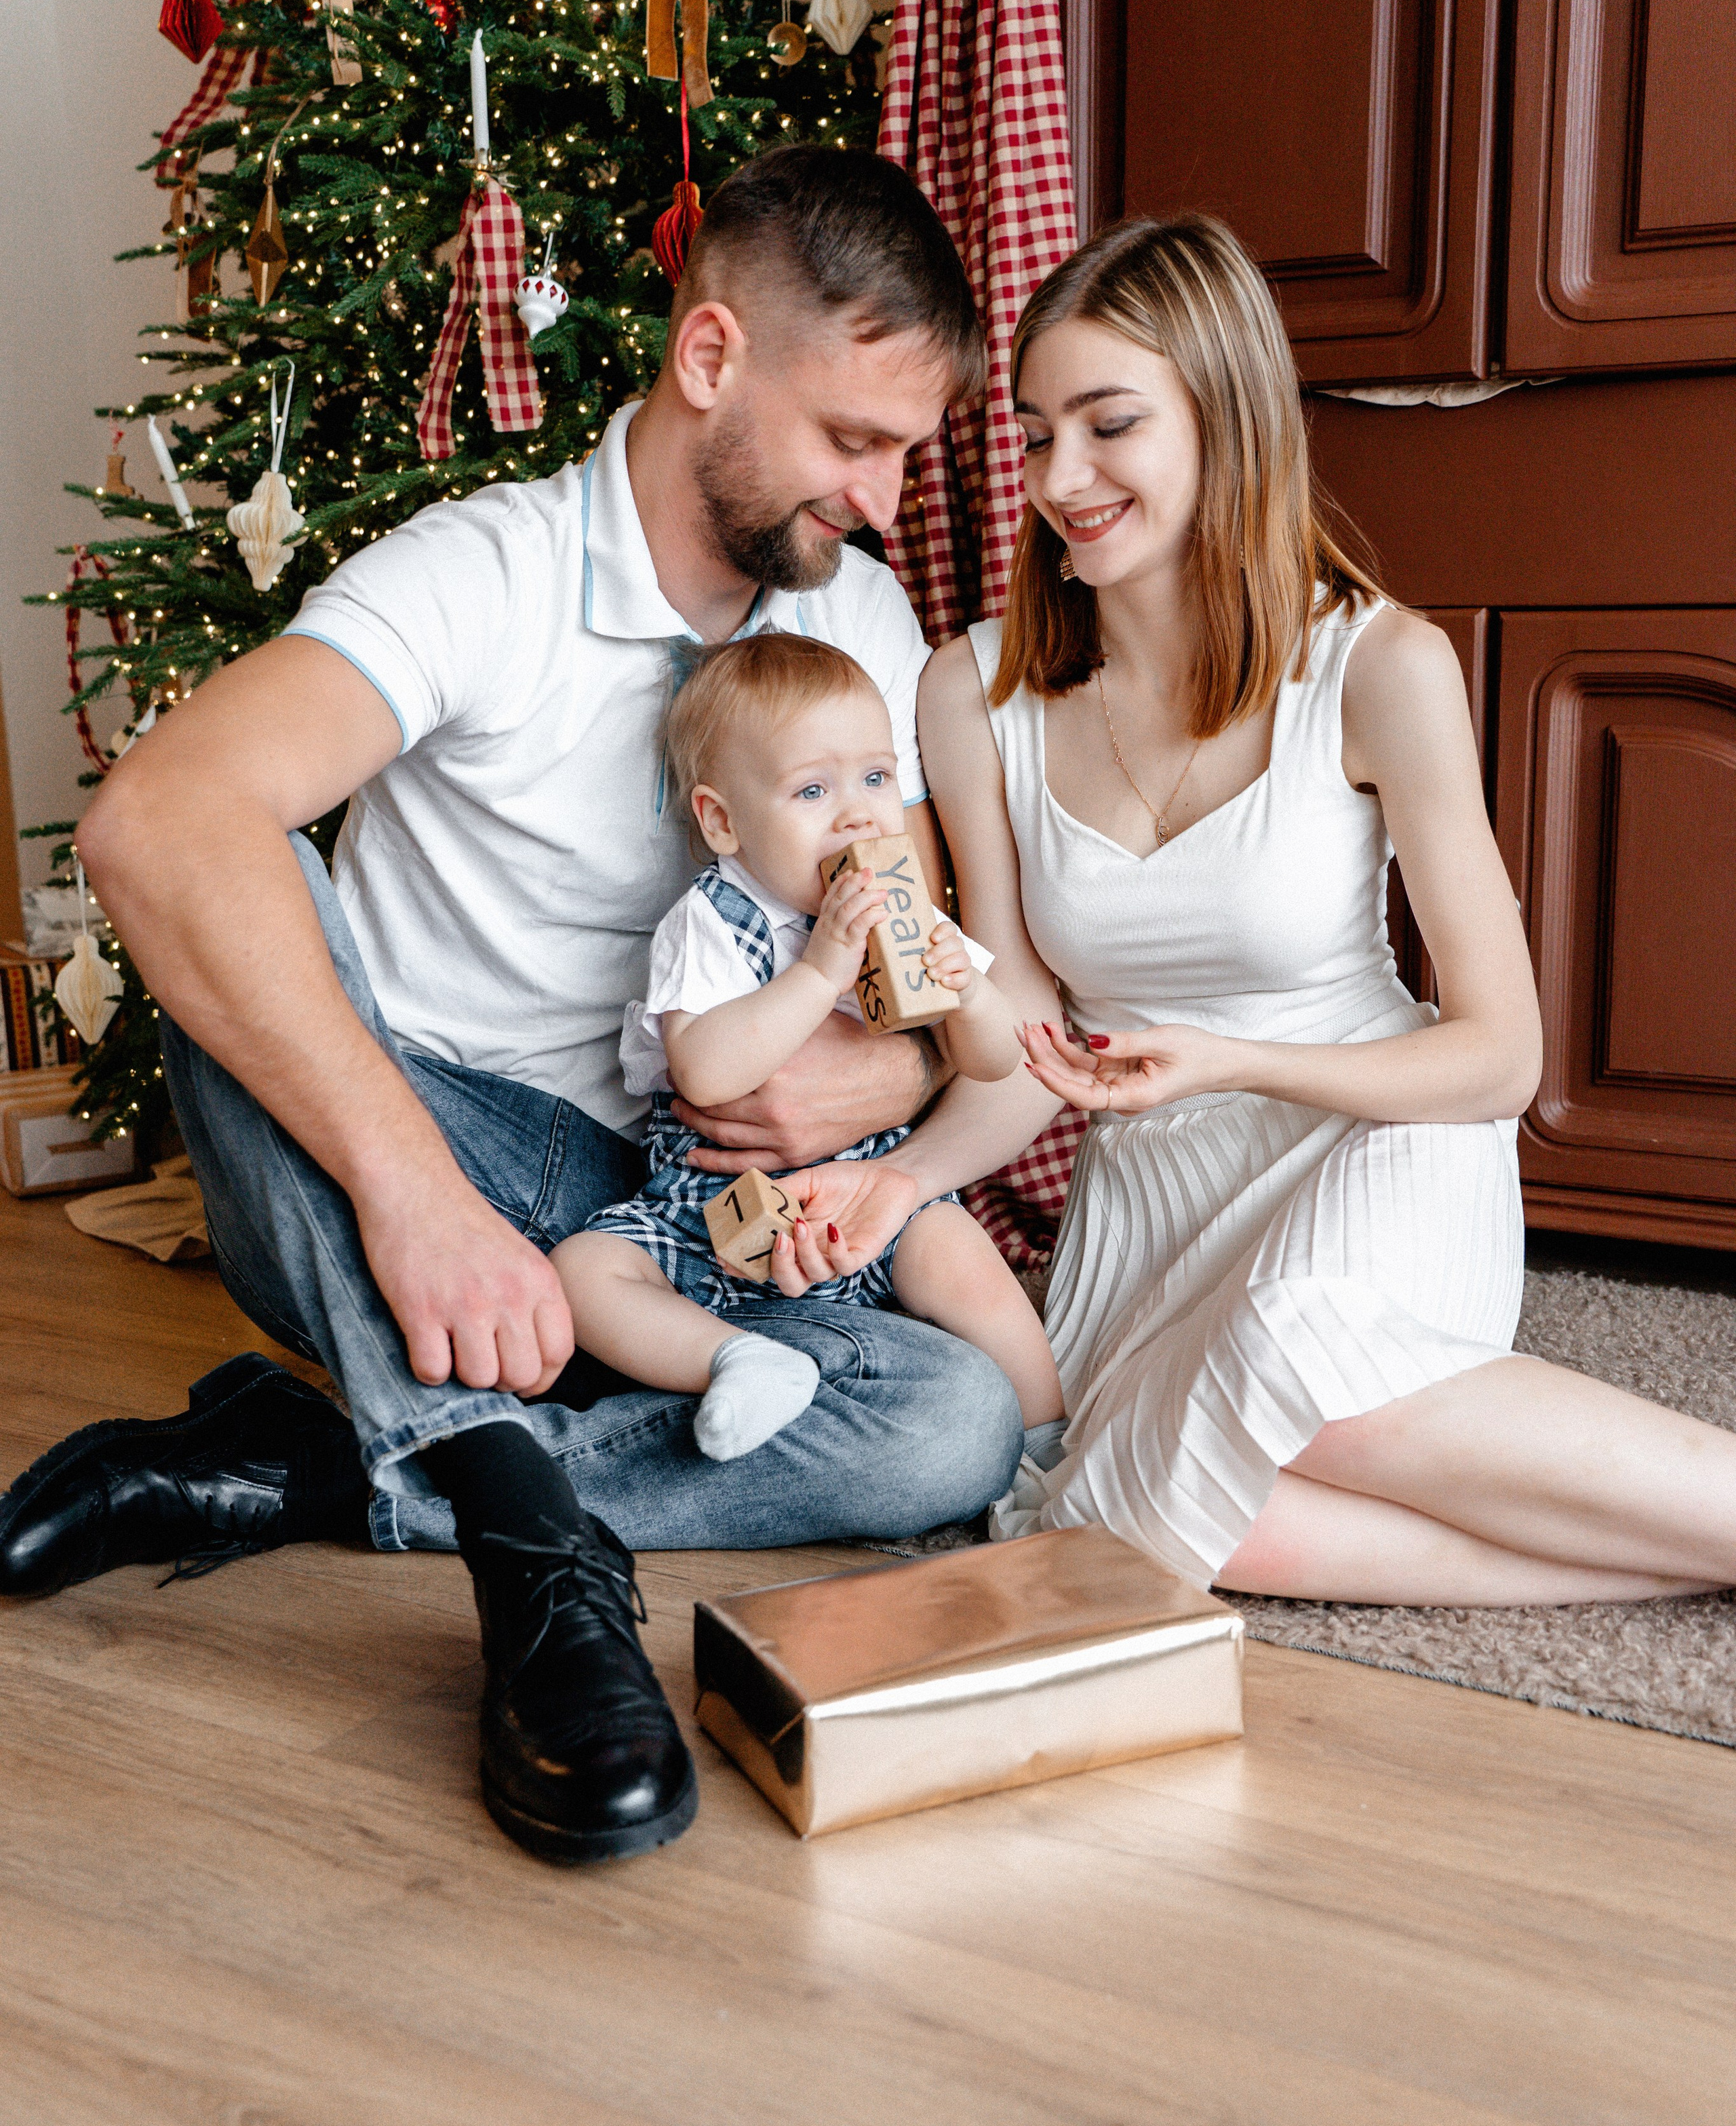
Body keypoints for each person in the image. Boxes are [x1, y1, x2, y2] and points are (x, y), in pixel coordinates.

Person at [0, 148, 1027, 1868]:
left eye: (905, 453)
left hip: (680, 1218)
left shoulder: (851, 611)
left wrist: (869, 1093)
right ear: (710, 357)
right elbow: (153, 823)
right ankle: (536, 1559)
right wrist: (417, 1201)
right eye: (853, 440)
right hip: (422, 1175)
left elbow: (908, 961)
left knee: (954, 1421)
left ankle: (317, 1462)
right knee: (233, 878)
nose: (882, 499)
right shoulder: (480, 572)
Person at [870, 212, 1736, 1607]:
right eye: (1034, 437)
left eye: (1109, 425)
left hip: (1377, 1138)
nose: (1059, 479)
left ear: (1227, 420)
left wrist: (1231, 1060)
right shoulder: (972, 693)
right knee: (1145, 1525)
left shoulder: (1380, 666)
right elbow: (1025, 1046)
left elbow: (1499, 1057)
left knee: (1286, 1357)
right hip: (1154, 1204)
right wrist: (895, 1182)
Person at [555, 631, 1063, 1463]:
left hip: (868, 1206)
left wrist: (969, 995)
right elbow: (705, 1070)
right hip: (707, 1218)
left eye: (876, 778)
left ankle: (1049, 1442)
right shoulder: (713, 920)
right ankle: (736, 1360)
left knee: (960, 1253)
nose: (859, 814)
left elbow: (994, 1061)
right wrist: (822, 968)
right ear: (723, 821)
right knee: (585, 1270)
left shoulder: (906, 914)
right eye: (813, 790)